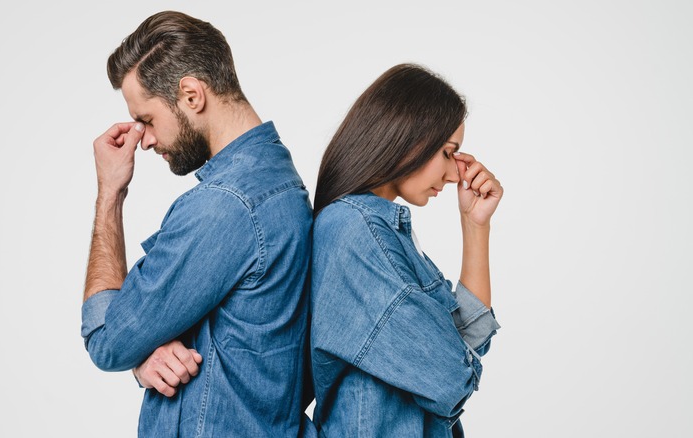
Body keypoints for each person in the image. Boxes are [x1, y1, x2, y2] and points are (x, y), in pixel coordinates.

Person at [80, 11, 313, 437]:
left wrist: (110, 192)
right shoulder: (279, 182)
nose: (145, 140)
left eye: (147, 119)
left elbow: (106, 338)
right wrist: (146, 352)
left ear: (191, 95)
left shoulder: (223, 207)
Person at [309, 64, 503, 437]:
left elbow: (469, 340)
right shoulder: (357, 231)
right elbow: (451, 375)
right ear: (407, 138)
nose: (454, 174)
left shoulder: (377, 230)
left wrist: (476, 226)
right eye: (448, 153)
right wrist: (459, 360)